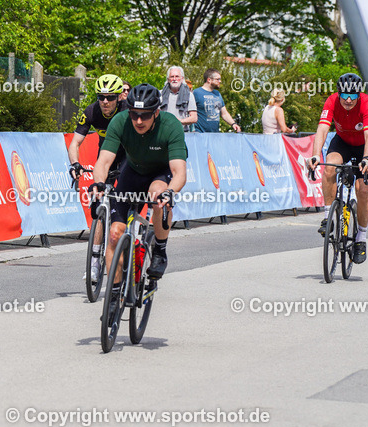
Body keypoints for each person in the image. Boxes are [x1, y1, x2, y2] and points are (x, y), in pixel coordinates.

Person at [89, 84, 188, 288]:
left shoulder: (171, 126)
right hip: (133, 172)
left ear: (157, 112)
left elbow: (179, 171)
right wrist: (98, 183)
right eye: (134, 115)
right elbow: (104, 161)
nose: (139, 121)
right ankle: (114, 296)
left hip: (160, 173)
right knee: (115, 233)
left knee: (158, 195)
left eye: (145, 115)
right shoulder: (120, 121)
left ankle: (160, 250)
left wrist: (170, 192)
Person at [306, 73, 368, 264]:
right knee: (329, 167)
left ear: (359, 94)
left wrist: (367, 158)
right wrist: (315, 155)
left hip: (365, 144)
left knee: (363, 189)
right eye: (345, 95)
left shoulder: (367, 103)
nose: (348, 100)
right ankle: (327, 217)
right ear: (338, 93)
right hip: (343, 141)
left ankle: (361, 239)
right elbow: (322, 129)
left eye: (353, 96)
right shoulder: (332, 101)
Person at [69, 73, 126, 281]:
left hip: (128, 156)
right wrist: (74, 164)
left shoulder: (128, 111)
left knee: (126, 199)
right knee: (100, 202)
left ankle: (127, 242)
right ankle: (94, 264)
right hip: (107, 157)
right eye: (101, 96)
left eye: (110, 97)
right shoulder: (91, 111)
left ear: (119, 97)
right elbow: (75, 142)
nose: (105, 101)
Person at [193, 68, 241, 133]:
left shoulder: (217, 94)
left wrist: (233, 124)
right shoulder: (196, 93)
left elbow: (224, 113)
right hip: (200, 134)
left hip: (215, 135)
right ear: (209, 80)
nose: (220, 81)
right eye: (218, 79)